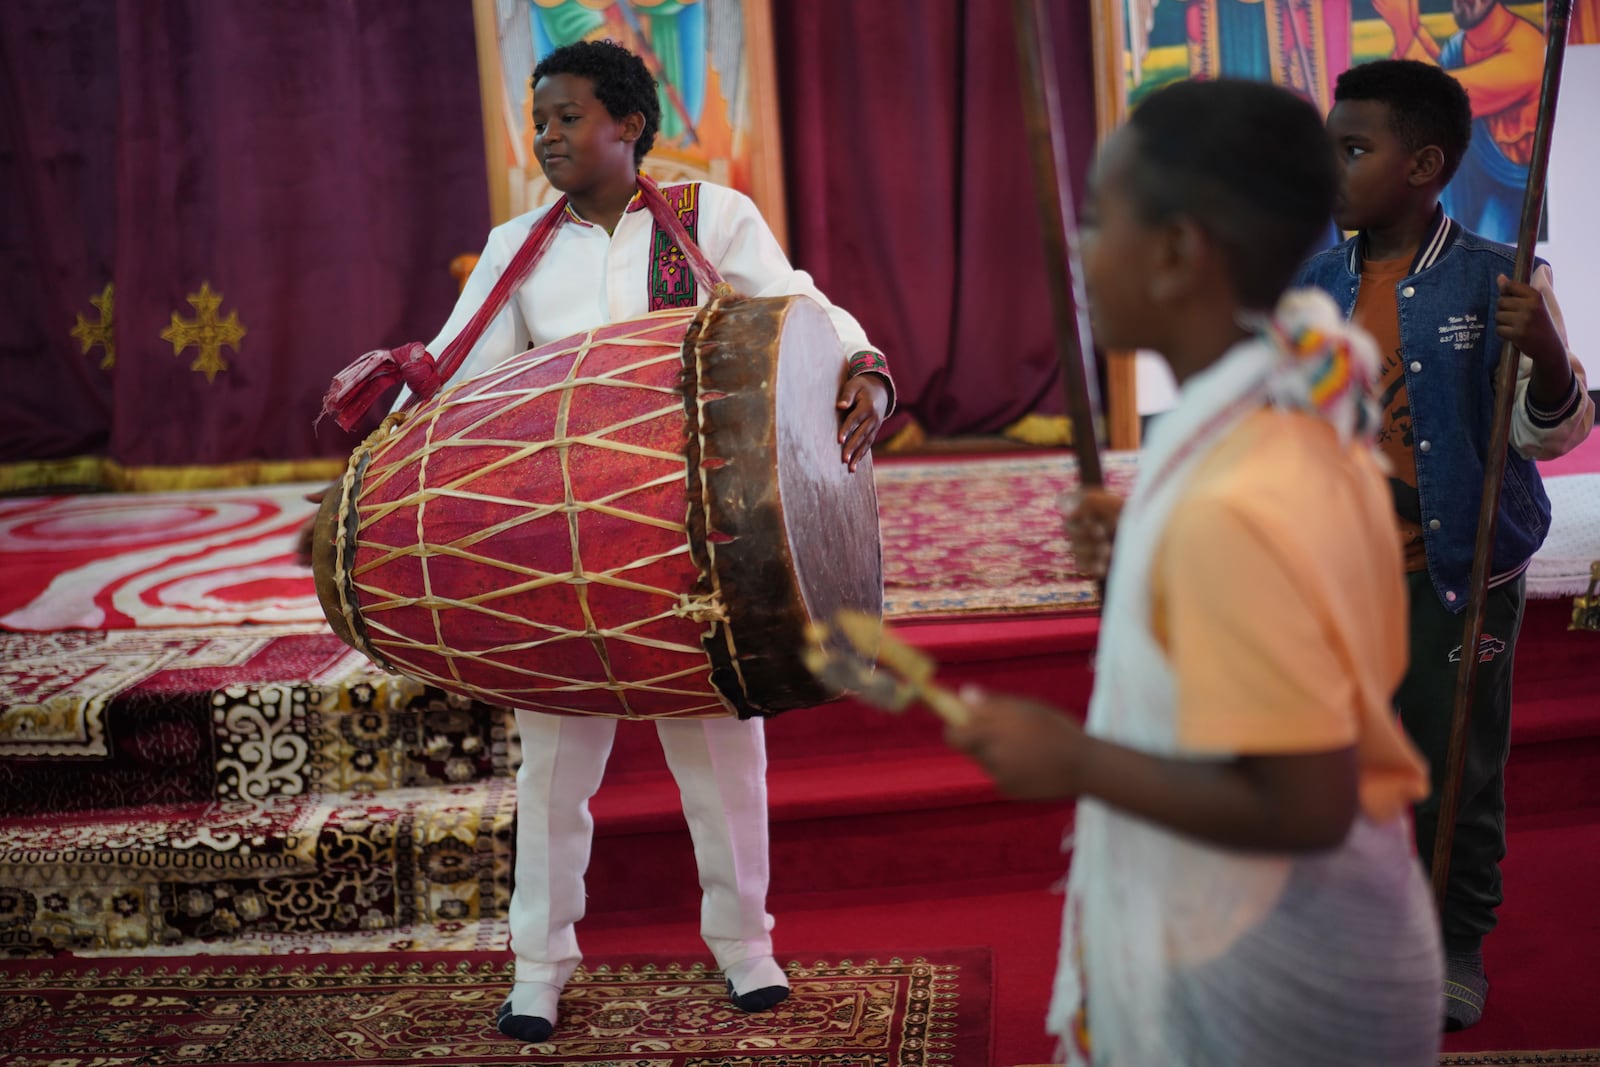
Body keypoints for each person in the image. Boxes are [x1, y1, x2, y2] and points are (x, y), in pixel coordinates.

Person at [329, 39, 894, 1043]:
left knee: (724, 759)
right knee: (553, 771)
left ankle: (745, 944)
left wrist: (862, 362)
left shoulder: (711, 219)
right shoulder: (519, 246)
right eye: (537, 119)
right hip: (563, 549)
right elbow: (466, 384)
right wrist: (394, 436)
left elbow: (797, 302)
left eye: (566, 116)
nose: (544, 135)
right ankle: (538, 964)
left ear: (626, 124)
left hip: (706, 545)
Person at [947, 78, 1444, 1064]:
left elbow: (1304, 804)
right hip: (1327, 925)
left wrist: (1070, 757)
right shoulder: (1281, 408)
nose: (1076, 253)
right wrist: (1148, 551)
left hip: (1268, 961)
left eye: (1096, 221)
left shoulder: (1233, 499)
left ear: (1177, 252)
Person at [1296, 58, 1592, 1030]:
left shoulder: (1498, 277)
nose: (1330, 165)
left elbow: (1550, 431)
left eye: (1353, 148)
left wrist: (1545, 351)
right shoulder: (1311, 279)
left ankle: (1454, 938)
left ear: (1423, 164)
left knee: (1452, 768)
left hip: (1454, 576)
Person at [1371, 0, 1544, 242]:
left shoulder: (1527, 50)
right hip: (1466, 180)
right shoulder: (1460, 44)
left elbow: (1440, 98)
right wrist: (1411, 27)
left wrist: (1404, 29)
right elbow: (1432, 80)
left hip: (1510, 194)